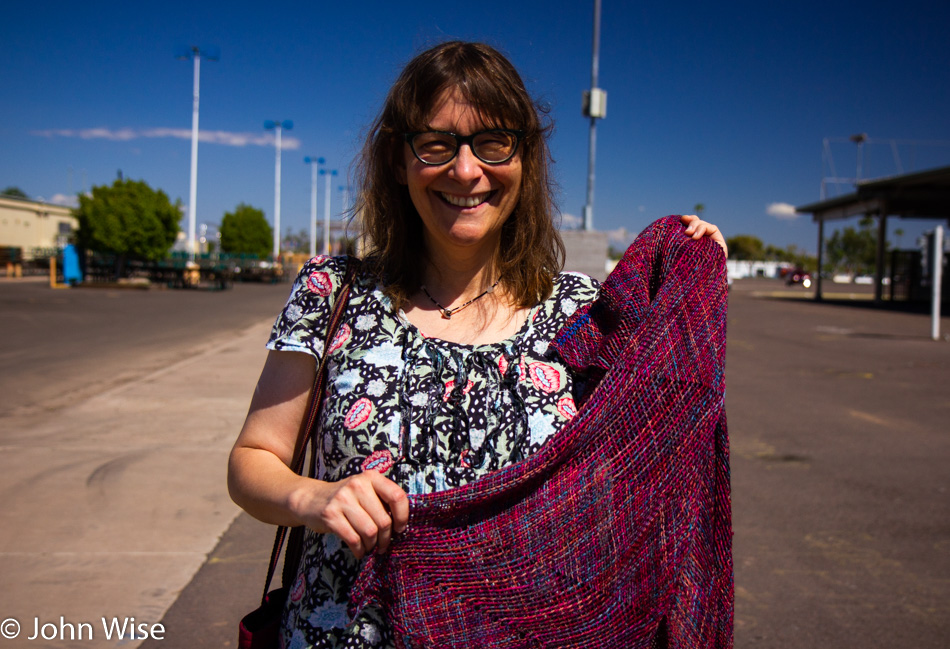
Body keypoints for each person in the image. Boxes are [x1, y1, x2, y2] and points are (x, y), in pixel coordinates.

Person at [228, 40, 727, 649]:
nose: (466, 171)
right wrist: (315, 496)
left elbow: (661, 466)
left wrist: (689, 281)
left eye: (493, 142)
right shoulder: (332, 292)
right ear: (396, 158)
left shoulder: (587, 315)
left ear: (526, 157)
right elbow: (251, 461)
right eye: (436, 144)